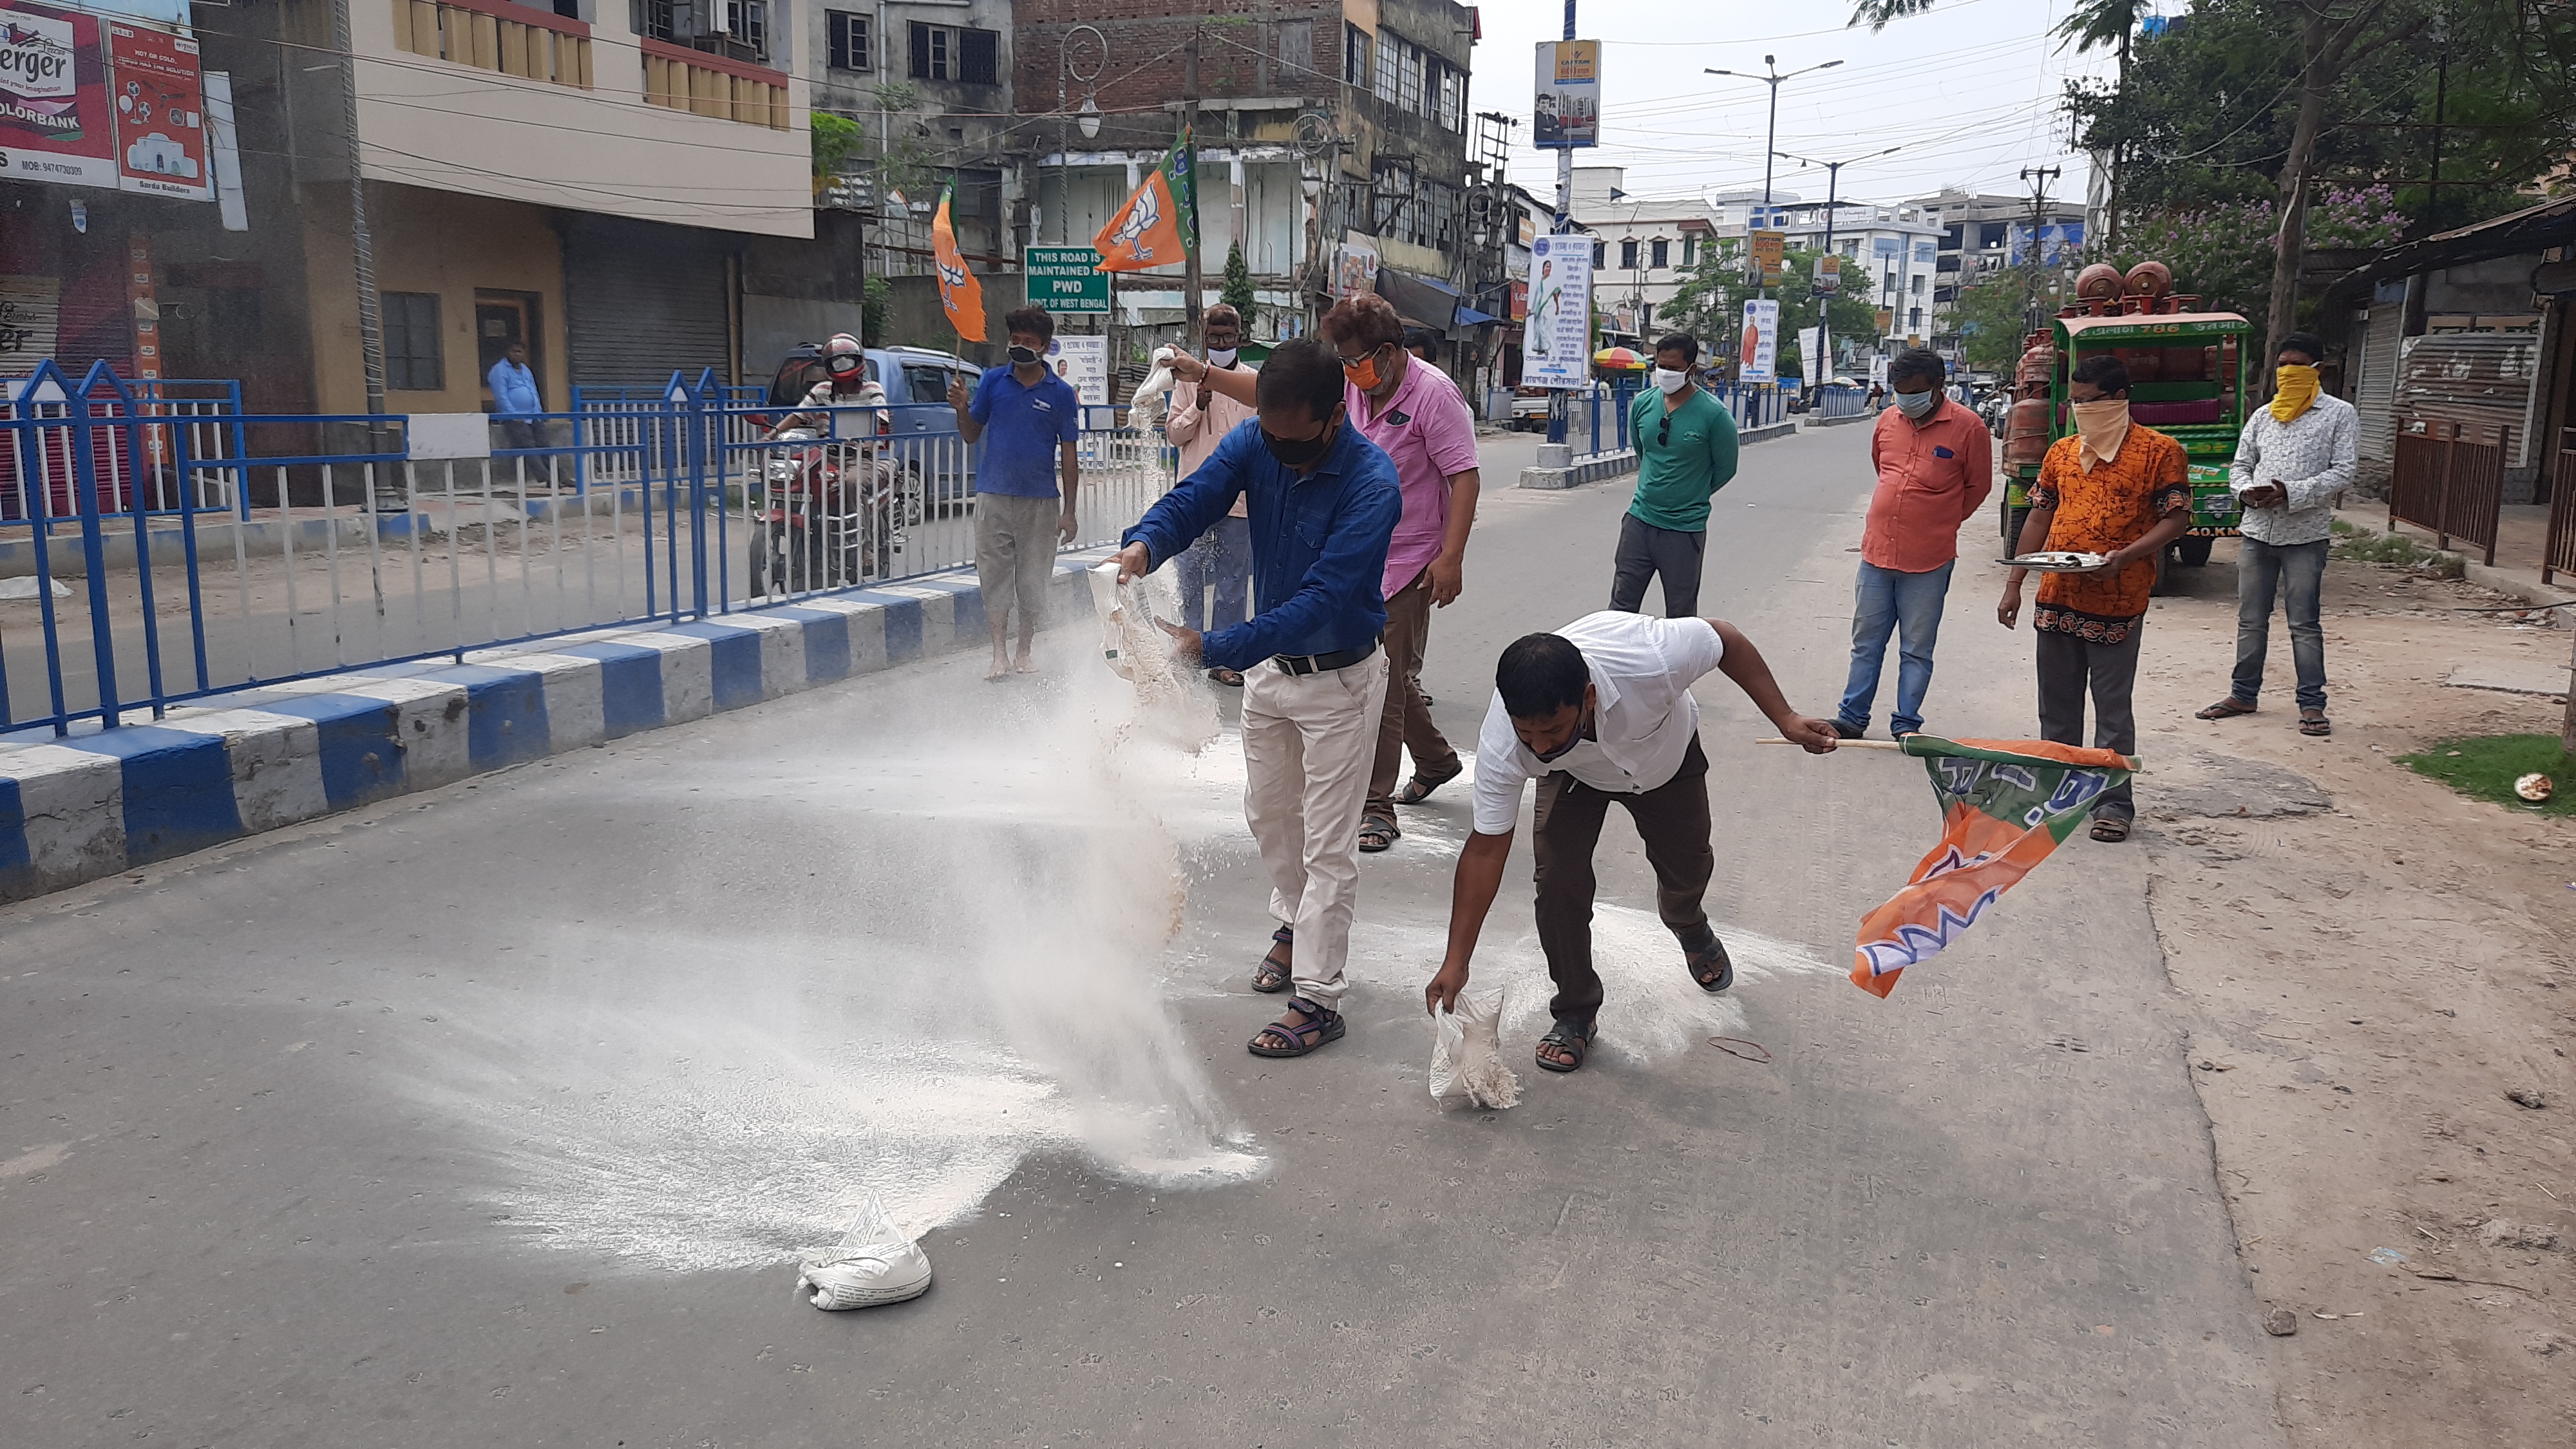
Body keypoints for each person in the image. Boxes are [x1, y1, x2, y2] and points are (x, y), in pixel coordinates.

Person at [1120, 338, 1401, 1061]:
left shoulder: (1372, 484)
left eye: (1295, 443)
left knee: (1329, 843)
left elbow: (1323, 598)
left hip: (1340, 679)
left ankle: (1318, 996)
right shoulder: (1255, 441)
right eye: (1270, 439)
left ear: (1334, 419)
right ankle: (1291, 923)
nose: (1280, 455)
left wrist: (1209, 649)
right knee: (1271, 820)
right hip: (1273, 673)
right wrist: (1143, 547)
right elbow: (1194, 500)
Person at [1421, 614, 1840, 1072]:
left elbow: (1726, 639)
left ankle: (1687, 921)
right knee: (1558, 884)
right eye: (1528, 734)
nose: (1539, 747)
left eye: (1554, 730)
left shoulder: (1652, 660)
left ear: (1588, 697)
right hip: (1576, 775)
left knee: (1689, 865)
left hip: (1665, 762)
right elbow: (1486, 849)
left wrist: (1786, 717)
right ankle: (1576, 1012)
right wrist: (1456, 960)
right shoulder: (1508, 742)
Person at [1998, 354, 2192, 843]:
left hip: (2118, 598)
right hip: (2058, 592)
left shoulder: (2158, 452)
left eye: (2090, 402)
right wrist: (2015, 583)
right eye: (2075, 403)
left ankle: (2113, 802)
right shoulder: (2062, 453)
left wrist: (2126, 556)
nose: (2081, 410)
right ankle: (2059, 793)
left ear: (2120, 398)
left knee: (2111, 706)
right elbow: (2039, 518)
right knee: (2057, 706)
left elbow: (2176, 518)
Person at [1324, 294, 1481, 857]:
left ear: (1388, 353)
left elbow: (1463, 476)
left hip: (1413, 558)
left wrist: (1452, 556)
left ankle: (1375, 805)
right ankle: (1437, 760)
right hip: (1358, 553)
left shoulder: (1435, 396)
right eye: (1342, 360)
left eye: (1356, 359)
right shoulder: (1352, 387)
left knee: (1380, 683)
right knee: (1386, 674)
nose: (1349, 369)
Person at [2196, 332, 2356, 737]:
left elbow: (2343, 471)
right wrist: (2246, 492)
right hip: (2256, 533)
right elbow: (2239, 465)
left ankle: (2312, 705)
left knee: (2304, 622)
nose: (2289, 371)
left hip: (2306, 534)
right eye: (2283, 364)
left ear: (2318, 368)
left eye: (2298, 364)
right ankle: (2243, 694)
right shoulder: (2263, 416)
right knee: (2251, 619)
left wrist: (2291, 493)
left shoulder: (2339, 414)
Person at [1832, 348, 1993, 741]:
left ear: (1938, 387)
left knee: (1917, 648)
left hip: (1930, 559)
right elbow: (1882, 468)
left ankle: (1906, 723)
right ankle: (1852, 717)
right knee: (1866, 642)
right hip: (1877, 553)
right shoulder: (1888, 420)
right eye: (1899, 391)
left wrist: (1939, 522)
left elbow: (1979, 486)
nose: (1906, 399)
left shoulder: (1969, 428)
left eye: (1915, 392)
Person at [949, 307, 1081, 680]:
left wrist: (1069, 512)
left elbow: (1068, 454)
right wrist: (961, 409)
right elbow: (972, 432)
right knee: (994, 574)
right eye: (1016, 340)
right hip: (993, 495)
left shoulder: (1061, 394)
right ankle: (998, 654)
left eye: (1029, 342)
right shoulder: (993, 382)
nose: (1020, 347)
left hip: (1041, 500)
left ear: (1044, 347)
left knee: (1034, 578)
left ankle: (1024, 651)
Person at [1610, 333, 1739, 618]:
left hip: (1684, 530)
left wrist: (1690, 493)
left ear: (1692, 370)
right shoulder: (1643, 404)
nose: (1665, 373)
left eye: (1673, 368)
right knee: (1620, 609)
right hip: (1639, 521)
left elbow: (1726, 468)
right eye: (1660, 365)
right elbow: (1644, 453)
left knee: (1681, 617)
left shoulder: (1714, 415)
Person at [1166, 304, 1258, 687]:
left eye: (1228, 337)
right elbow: (1174, 434)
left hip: (1239, 500)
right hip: (1196, 498)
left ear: (1239, 337)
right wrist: (1198, 407)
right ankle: (1190, 652)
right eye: (1214, 337)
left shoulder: (1253, 383)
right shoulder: (1187, 382)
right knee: (1189, 577)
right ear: (1204, 340)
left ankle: (1223, 657)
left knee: (1233, 582)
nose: (1221, 343)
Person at [487, 341, 543, 452]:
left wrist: (538, 413)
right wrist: (514, 415)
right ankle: (542, 471)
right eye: (514, 351)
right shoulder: (499, 369)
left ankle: (554, 470)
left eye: (520, 352)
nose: (517, 354)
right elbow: (501, 396)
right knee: (528, 448)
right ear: (507, 352)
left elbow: (533, 392)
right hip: (513, 418)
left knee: (545, 444)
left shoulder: (526, 369)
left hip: (533, 416)